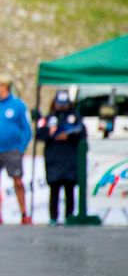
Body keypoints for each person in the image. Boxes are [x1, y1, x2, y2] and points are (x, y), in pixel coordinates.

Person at [0, 76, 33, 225]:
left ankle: (24, 213)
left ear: (5, 87)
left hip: (11, 150)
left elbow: (26, 129)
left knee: (17, 181)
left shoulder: (17, 105)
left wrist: (21, 147)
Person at [36, 90, 84, 225]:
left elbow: (81, 133)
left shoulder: (74, 117)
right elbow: (40, 134)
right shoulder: (49, 118)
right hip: (54, 159)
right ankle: (53, 217)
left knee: (69, 190)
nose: (61, 106)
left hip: (69, 159)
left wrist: (68, 136)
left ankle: (69, 216)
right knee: (54, 190)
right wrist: (50, 134)